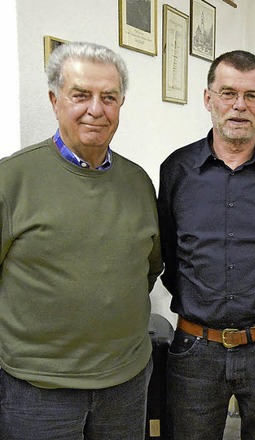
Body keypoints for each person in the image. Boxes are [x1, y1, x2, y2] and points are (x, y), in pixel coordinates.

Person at [0, 42, 163, 440]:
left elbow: (148, 267)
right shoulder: (11, 180)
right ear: (55, 100)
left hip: (125, 381)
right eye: (81, 95)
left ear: (121, 104)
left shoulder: (139, 181)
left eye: (109, 97)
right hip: (38, 390)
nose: (96, 109)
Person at [157, 50, 255, 440]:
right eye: (228, 93)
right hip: (196, 348)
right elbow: (167, 252)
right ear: (208, 98)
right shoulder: (177, 169)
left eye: (251, 95)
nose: (239, 106)